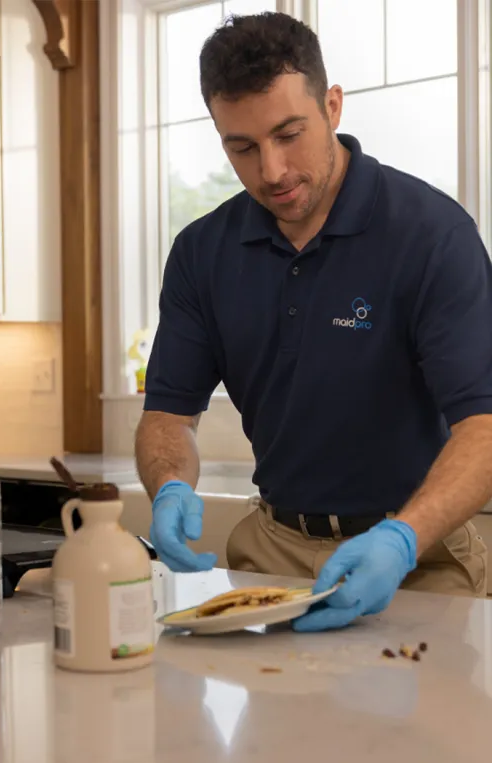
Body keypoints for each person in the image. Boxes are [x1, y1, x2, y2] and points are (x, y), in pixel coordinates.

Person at [135, 11, 492, 632]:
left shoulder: (432, 235)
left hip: (421, 554)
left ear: (332, 106)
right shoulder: (201, 253)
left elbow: (485, 430)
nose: (271, 171)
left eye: (289, 134)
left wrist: (402, 540)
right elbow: (168, 416)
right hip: (270, 552)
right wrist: (169, 485)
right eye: (241, 147)